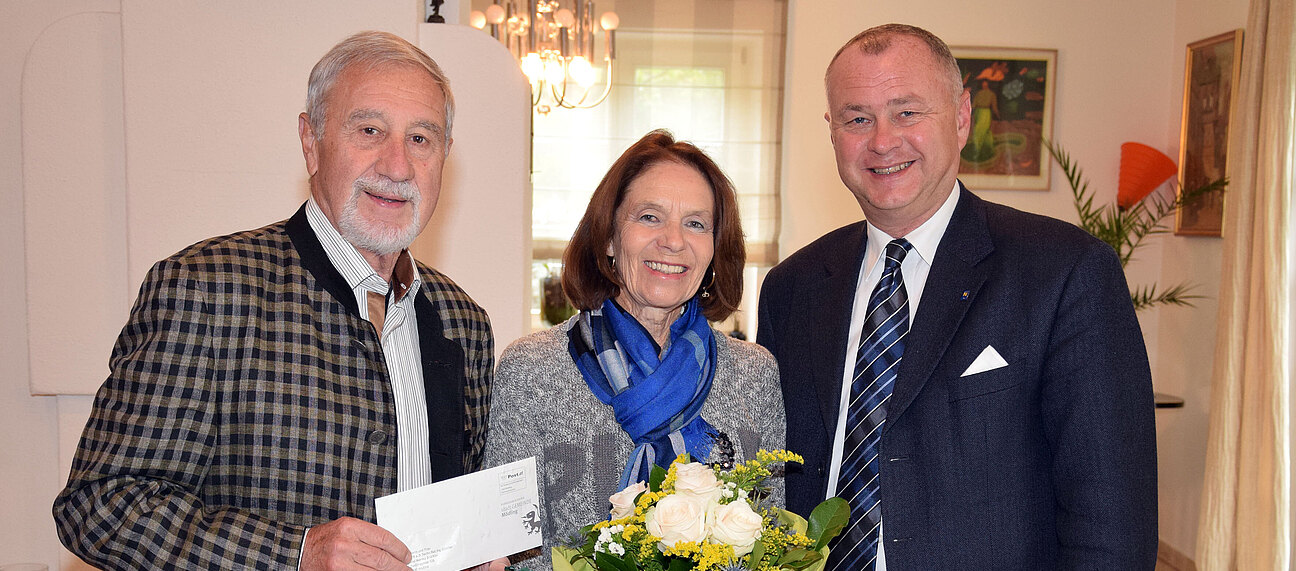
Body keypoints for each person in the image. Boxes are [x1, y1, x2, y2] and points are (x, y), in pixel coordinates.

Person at [52, 31, 495, 570]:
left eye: (421, 139)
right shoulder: (207, 290)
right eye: (370, 130)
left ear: (445, 156)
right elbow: (100, 505)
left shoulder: (463, 322)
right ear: (311, 142)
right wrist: (295, 554)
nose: (398, 166)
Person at [757, 24, 1157, 569]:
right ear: (832, 132)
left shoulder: (1065, 272)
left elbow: (1111, 524)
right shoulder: (792, 287)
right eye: (857, 119)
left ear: (962, 117)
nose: (882, 140)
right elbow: (779, 483)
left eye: (907, 112)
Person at [483, 130, 785, 569]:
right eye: (649, 217)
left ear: (715, 250)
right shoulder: (532, 369)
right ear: (608, 237)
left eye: (696, 223)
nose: (674, 241)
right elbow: (508, 553)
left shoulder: (754, 374)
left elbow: (773, 542)